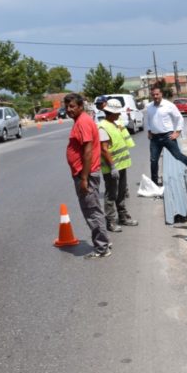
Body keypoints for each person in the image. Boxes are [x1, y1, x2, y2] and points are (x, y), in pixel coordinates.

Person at [64, 93, 111, 259]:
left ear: (80, 107)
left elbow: (88, 151)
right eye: (67, 106)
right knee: (94, 210)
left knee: (92, 212)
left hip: (86, 174)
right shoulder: (81, 120)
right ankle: (104, 242)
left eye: (72, 106)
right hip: (84, 173)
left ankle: (102, 248)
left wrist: (84, 178)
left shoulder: (83, 122)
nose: (69, 110)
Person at [98, 98, 138, 231]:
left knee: (121, 193)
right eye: (117, 112)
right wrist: (113, 166)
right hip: (112, 168)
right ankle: (110, 222)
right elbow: (104, 149)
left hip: (121, 165)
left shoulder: (115, 123)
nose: (119, 114)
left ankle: (123, 217)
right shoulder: (103, 127)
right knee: (111, 195)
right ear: (110, 112)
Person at [144, 86, 187, 185]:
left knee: (177, 156)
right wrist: (149, 131)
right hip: (155, 138)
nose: (155, 96)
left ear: (161, 94)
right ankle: (154, 183)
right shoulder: (149, 106)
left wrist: (177, 132)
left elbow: (179, 118)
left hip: (167, 136)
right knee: (153, 160)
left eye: (157, 94)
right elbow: (149, 119)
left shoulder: (169, 105)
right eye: (153, 95)